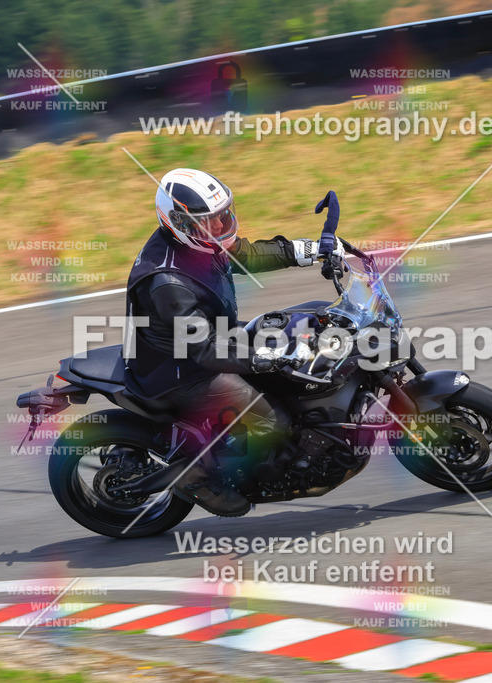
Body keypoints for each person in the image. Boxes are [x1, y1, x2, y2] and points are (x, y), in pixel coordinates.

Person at [123, 168, 340, 516]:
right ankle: (202, 477)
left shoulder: (199, 237)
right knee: (274, 421)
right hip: (182, 371)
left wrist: (311, 249)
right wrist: (265, 358)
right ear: (180, 222)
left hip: (210, 337)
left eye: (223, 216)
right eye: (212, 221)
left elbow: (247, 255)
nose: (222, 227)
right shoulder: (168, 284)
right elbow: (206, 351)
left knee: (308, 320)